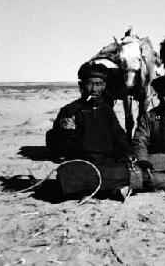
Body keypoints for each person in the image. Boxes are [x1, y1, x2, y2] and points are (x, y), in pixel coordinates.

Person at [46, 61, 136, 198]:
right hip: (83, 164)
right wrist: (64, 131)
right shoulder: (70, 110)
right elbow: (55, 147)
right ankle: (112, 188)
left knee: (129, 171)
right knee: (69, 174)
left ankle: (100, 188)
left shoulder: (107, 110)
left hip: (107, 164)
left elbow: (119, 138)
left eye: (98, 84)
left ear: (104, 86)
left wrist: (128, 154)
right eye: (90, 84)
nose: (94, 89)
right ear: (81, 86)